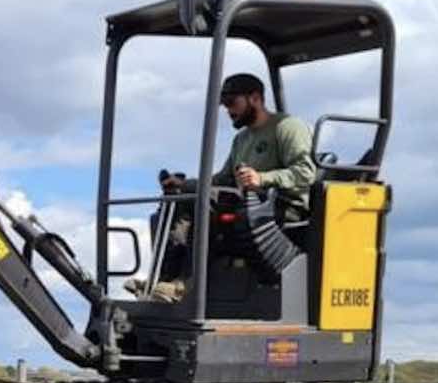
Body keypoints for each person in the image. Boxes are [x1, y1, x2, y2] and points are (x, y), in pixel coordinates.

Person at [126, 73, 315, 302]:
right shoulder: (242, 139)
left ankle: (186, 285)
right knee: (178, 199)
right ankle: (163, 279)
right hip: (247, 204)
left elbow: (306, 172)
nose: (228, 110)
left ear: (255, 98)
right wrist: (184, 184)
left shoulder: (287, 126)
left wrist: (262, 178)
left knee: (207, 202)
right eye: (225, 104)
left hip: (283, 207)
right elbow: (223, 180)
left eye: (232, 102)